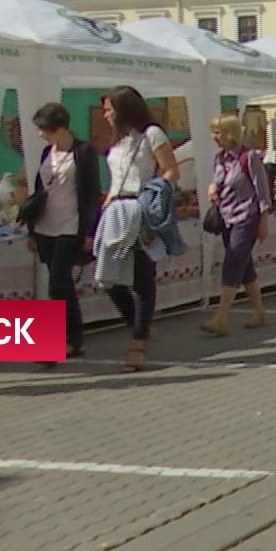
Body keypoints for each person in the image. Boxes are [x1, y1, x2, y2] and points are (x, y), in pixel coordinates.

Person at [96, 86, 182, 373]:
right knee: (108, 277)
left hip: (139, 205)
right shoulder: (119, 140)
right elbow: (114, 180)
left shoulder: (151, 134)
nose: (106, 114)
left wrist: (156, 193)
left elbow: (171, 170)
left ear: (123, 108)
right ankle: (138, 323)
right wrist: (104, 208)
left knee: (142, 276)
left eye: (109, 109)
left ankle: (139, 341)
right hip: (115, 208)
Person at [22, 102, 100, 360]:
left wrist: (89, 230)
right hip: (46, 224)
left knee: (59, 280)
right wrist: (32, 229)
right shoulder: (47, 152)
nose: (40, 134)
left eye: (43, 128)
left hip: (70, 224)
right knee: (60, 283)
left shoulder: (84, 151)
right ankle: (72, 337)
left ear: (58, 128)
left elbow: (90, 192)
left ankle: (61, 339)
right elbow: (38, 190)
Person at [202, 115, 273, 337]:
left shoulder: (249, 157)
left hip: (246, 217)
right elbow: (221, 181)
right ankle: (259, 311)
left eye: (218, 132)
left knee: (233, 262)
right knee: (244, 266)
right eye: (213, 132)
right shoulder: (220, 159)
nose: (215, 137)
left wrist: (263, 221)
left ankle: (221, 317)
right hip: (226, 217)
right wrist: (213, 188)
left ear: (231, 133)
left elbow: (263, 192)